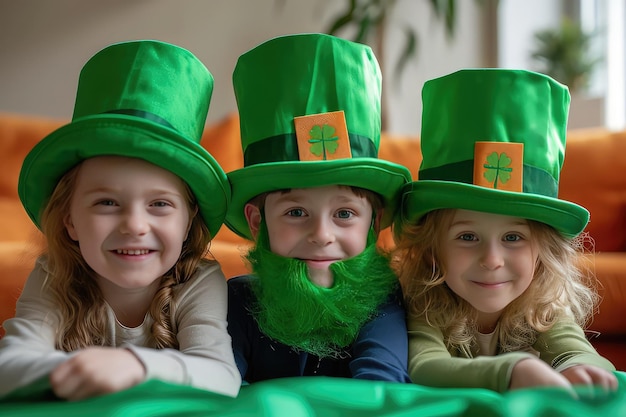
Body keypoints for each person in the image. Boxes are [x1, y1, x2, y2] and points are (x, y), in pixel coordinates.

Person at [0, 40, 241, 400]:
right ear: (70, 220)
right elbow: (8, 368)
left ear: (188, 221)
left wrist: (134, 366)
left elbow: (222, 375)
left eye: (159, 204)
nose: (135, 225)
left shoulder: (199, 280)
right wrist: (80, 370)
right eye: (107, 202)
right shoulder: (54, 275)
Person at [393, 68, 618, 393]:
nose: (492, 259)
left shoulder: (542, 303)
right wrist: (513, 370)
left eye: (513, 238)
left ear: (543, 250)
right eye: (467, 237)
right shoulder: (424, 302)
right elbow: (423, 367)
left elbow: (577, 353)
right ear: (432, 247)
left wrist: (579, 368)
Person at [225, 33, 412, 383]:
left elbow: (381, 383)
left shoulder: (383, 298)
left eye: (344, 214)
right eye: (296, 212)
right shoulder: (237, 299)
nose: (321, 235)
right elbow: (219, 384)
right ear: (256, 221)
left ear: (375, 223)